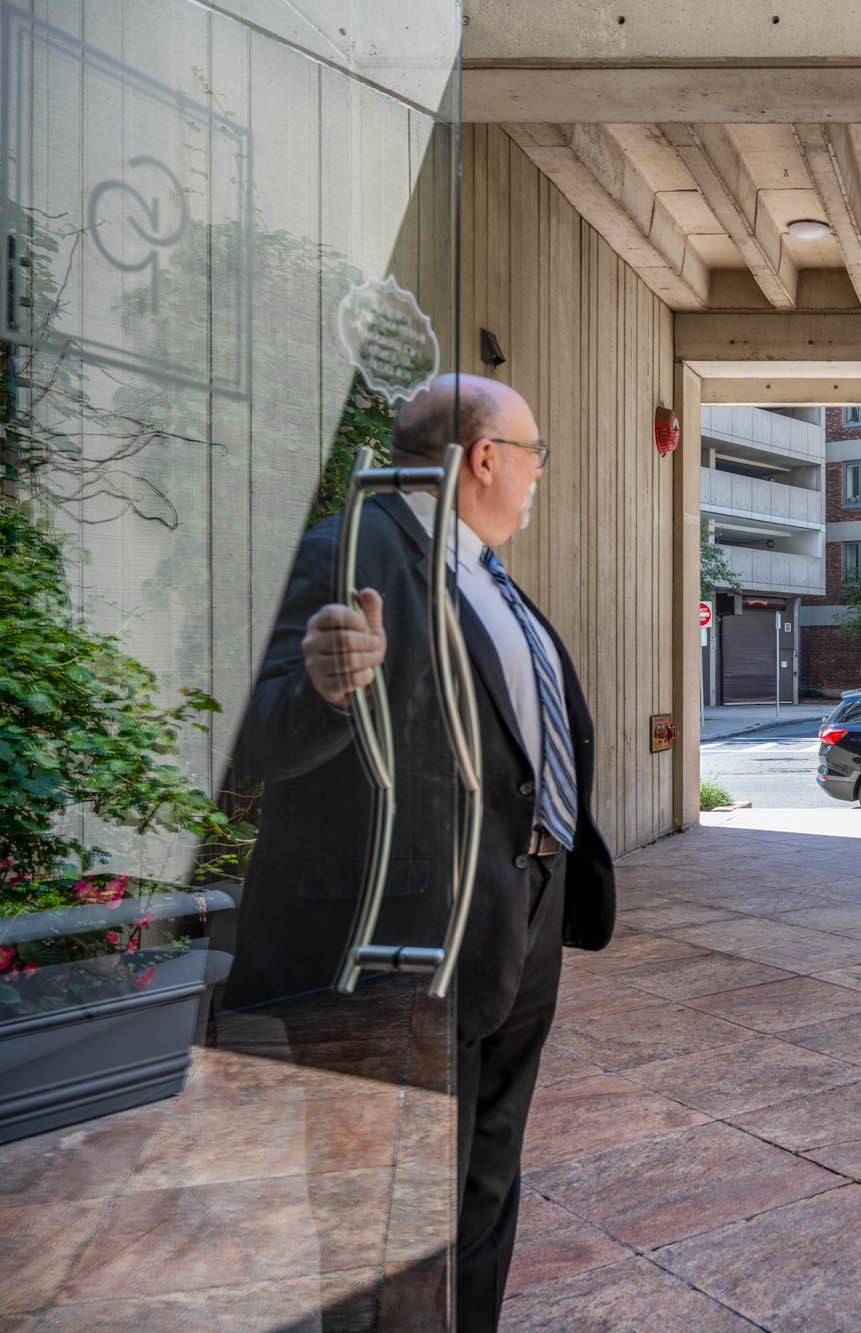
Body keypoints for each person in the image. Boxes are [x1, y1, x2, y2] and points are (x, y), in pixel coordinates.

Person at [229, 374, 615, 1330]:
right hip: (404, 944)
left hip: (514, 918)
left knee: (486, 1178)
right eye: (534, 456)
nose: (537, 477)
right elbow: (254, 738)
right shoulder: (345, 550)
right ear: (483, 458)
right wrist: (324, 686)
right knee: (385, 1219)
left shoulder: (477, 566)